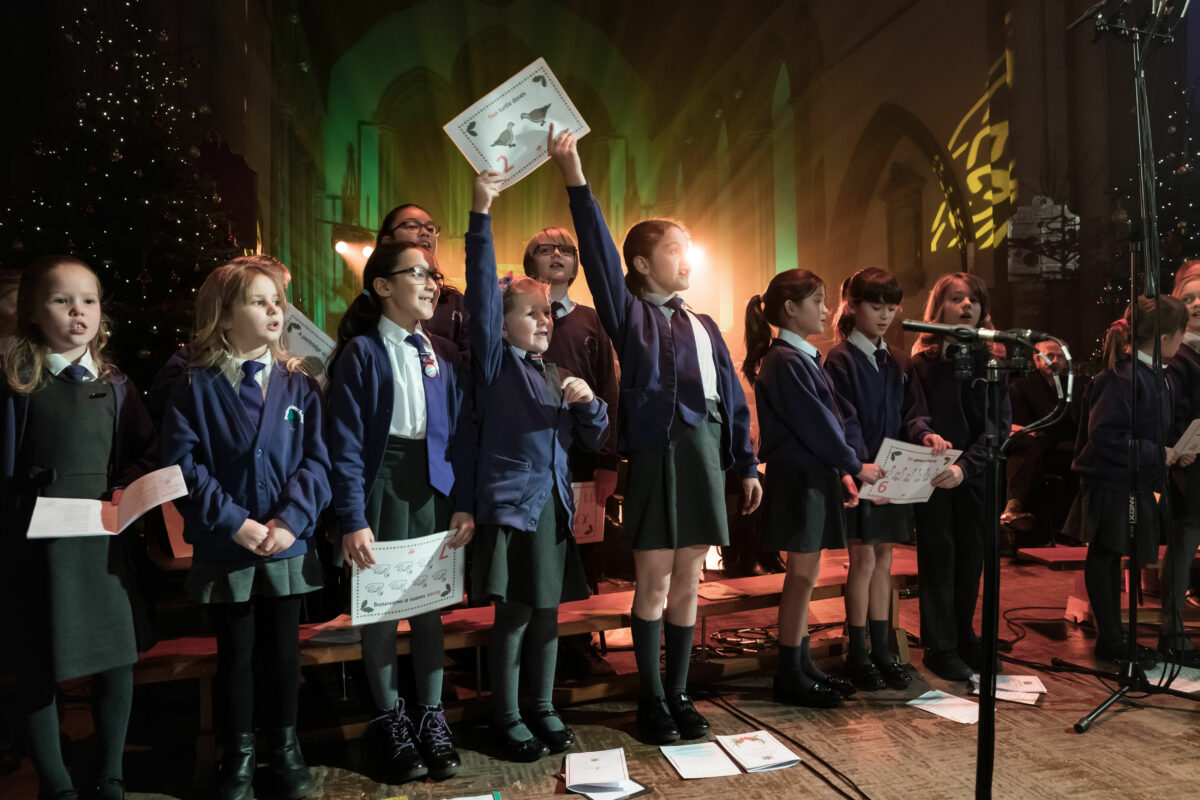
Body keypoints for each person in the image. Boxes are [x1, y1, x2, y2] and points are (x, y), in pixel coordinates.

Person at [549, 126, 761, 744]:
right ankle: (650, 698)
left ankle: (679, 691)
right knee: (655, 580)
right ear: (641, 264)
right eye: (675, 249)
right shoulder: (630, 311)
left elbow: (731, 398)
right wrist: (574, 175)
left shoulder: (705, 322)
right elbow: (594, 244)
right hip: (659, 452)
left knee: (692, 578)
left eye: (689, 248)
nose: (686, 258)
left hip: (704, 455)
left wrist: (745, 463)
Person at [161, 257, 331, 800]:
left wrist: (290, 522)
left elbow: (318, 462)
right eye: (258, 301)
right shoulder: (194, 385)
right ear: (224, 314)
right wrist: (234, 523)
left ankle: (284, 747)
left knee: (283, 650)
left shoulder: (299, 383)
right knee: (235, 651)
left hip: (285, 543)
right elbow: (182, 468)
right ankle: (238, 754)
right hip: (227, 545)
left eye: (276, 301)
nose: (273, 310)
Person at [464, 170, 608, 761]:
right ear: (503, 325)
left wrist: (589, 401)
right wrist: (482, 212)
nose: (545, 322)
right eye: (531, 315)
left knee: (548, 612)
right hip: (511, 507)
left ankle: (543, 706)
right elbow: (480, 291)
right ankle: (507, 713)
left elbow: (592, 434)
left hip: (551, 506)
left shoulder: (552, 373)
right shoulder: (496, 363)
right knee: (515, 616)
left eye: (548, 315)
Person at [0, 255, 154, 800]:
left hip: (102, 544)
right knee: (38, 663)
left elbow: (144, 452)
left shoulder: (115, 384)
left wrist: (125, 492)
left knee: (116, 659)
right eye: (61, 300)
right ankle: (57, 785)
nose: (77, 312)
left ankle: (110, 775)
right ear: (33, 313)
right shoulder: (18, 382)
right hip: (39, 550)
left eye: (87, 300)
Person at [325, 241, 475, 782]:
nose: (433, 283)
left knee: (432, 606)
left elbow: (460, 436)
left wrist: (463, 503)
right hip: (381, 488)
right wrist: (353, 517)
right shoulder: (362, 353)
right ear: (382, 286)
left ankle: (431, 717)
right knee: (384, 612)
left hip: (433, 488)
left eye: (435, 274)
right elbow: (342, 444)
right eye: (419, 273)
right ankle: (390, 719)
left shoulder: (445, 354)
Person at [743, 268, 883, 708]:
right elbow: (818, 425)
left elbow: (830, 420)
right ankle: (791, 672)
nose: (826, 310)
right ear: (790, 308)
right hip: (799, 480)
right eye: (817, 301)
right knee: (800, 578)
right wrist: (853, 464)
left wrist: (842, 468)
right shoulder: (785, 360)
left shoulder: (799, 358)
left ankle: (801, 665)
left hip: (812, 478)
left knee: (806, 576)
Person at [825, 267, 944, 690]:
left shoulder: (897, 359)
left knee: (884, 561)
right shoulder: (839, 359)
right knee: (862, 561)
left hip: (893, 474)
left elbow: (913, 412)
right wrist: (860, 465)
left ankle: (883, 649)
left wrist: (926, 433)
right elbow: (844, 420)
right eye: (876, 306)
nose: (886, 315)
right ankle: (858, 653)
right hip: (864, 473)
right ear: (853, 306)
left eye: (892, 307)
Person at [522, 226, 620, 678]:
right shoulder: (515, 318)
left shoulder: (590, 320)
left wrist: (607, 460)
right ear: (530, 263)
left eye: (566, 249)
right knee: (535, 555)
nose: (557, 255)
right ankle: (531, 651)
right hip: (531, 458)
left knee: (584, 553)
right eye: (546, 249)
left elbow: (609, 391)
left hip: (582, 455)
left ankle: (578, 647)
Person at [1074, 296, 1189, 666]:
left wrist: (1172, 450)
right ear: (1165, 336)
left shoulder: (1158, 375)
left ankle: (1117, 636)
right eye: (1181, 333)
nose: (1183, 341)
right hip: (1109, 481)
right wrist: (1159, 453)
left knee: (1113, 555)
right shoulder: (1120, 378)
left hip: (1134, 480)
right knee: (1105, 554)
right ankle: (1110, 638)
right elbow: (1105, 436)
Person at [909, 272, 1010, 681]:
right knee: (939, 561)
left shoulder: (994, 364)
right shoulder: (922, 364)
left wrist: (965, 467)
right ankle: (940, 645)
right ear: (940, 308)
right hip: (933, 478)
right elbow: (914, 414)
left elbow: (998, 427)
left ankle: (966, 637)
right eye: (956, 298)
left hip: (975, 476)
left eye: (973, 299)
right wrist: (926, 434)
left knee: (971, 561)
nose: (966, 306)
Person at [1001, 339, 1078, 535]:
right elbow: (1020, 425)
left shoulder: (1070, 388)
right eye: (1049, 355)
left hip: (1058, 447)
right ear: (1036, 360)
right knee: (1028, 445)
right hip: (1032, 445)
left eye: (1060, 357)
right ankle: (1013, 506)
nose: (1055, 360)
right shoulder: (1021, 387)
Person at [1163, 260, 1200, 665]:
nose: (1196, 303)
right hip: (1188, 463)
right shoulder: (1177, 355)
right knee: (1183, 545)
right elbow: (1170, 411)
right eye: (1187, 297)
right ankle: (1173, 633)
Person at [377, 204, 470, 361]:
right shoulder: (370, 310)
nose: (425, 233)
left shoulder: (456, 304)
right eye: (412, 226)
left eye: (430, 229)